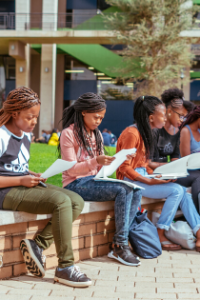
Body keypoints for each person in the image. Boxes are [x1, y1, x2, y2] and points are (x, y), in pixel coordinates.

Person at [0, 87, 91, 287]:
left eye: (36, 117)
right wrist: (21, 180)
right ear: (15, 113)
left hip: (18, 184)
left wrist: (30, 175)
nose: (34, 122)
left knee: (76, 201)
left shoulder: (26, 135)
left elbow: (16, 167)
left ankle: (37, 245)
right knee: (61, 202)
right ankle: (65, 267)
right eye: (30, 117)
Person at [117, 95, 200, 252]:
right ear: (151, 117)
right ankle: (160, 232)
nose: (165, 117)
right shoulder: (132, 133)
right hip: (130, 182)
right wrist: (148, 180)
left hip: (142, 178)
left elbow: (143, 164)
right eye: (162, 115)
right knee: (177, 191)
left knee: (183, 193)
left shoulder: (145, 133)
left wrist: (157, 175)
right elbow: (124, 168)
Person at [59, 93, 142, 266]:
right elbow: (70, 169)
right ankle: (120, 244)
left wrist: (115, 159)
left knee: (135, 189)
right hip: (75, 184)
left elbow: (98, 167)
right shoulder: (68, 134)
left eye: (101, 118)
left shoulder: (96, 134)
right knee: (123, 189)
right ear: (84, 112)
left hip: (92, 180)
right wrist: (96, 161)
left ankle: (121, 239)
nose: (98, 121)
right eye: (96, 117)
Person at [150, 88, 200, 207]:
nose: (182, 120)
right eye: (181, 116)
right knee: (198, 177)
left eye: (185, 117)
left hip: (169, 171)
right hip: (154, 173)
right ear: (169, 111)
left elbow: (175, 159)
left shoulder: (177, 132)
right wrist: (169, 167)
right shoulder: (155, 131)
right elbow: (148, 163)